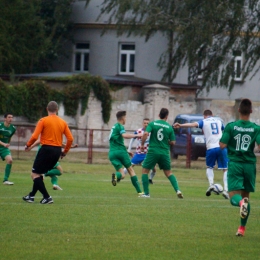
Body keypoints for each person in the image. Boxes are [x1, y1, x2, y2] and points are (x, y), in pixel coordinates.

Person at [220, 98, 260, 236]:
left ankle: (241, 203)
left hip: (236, 164)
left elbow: (222, 145)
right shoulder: (256, 128)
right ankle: (241, 229)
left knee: (233, 197)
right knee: (246, 197)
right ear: (251, 111)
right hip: (249, 165)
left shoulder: (231, 126)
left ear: (238, 110)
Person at [22, 101, 73, 204]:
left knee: (34, 174)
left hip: (46, 149)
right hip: (57, 151)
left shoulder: (43, 120)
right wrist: (65, 152)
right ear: (57, 110)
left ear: (47, 109)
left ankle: (47, 197)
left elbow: (35, 136)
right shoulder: (63, 122)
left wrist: (28, 145)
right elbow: (70, 139)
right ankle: (31, 196)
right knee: (39, 174)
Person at [173, 110, 229, 199]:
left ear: (204, 116)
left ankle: (211, 184)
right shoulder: (219, 121)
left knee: (209, 167)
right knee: (225, 169)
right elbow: (226, 131)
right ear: (212, 115)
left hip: (211, 148)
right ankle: (226, 190)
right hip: (221, 147)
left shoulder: (204, 121)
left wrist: (180, 125)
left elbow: (193, 125)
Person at [140, 108, 183, 198]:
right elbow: (173, 142)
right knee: (169, 173)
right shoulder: (169, 127)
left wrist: (142, 144)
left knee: (145, 171)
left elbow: (145, 134)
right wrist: (166, 141)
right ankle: (178, 190)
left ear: (159, 115)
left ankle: (146, 193)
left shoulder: (152, 124)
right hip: (164, 152)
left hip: (153, 151)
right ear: (167, 117)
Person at [109, 110, 143, 195]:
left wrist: (127, 152)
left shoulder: (114, 127)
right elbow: (124, 135)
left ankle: (116, 176)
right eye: (125, 117)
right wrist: (136, 135)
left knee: (122, 175)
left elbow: (117, 142)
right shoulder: (120, 126)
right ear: (123, 118)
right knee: (131, 170)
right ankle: (140, 192)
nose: (126, 119)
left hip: (112, 153)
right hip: (120, 152)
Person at [123, 118, 156, 184]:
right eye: (145, 123)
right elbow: (132, 139)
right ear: (142, 123)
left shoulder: (151, 132)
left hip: (148, 153)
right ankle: (119, 176)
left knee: (154, 169)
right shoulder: (138, 131)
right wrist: (129, 150)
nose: (146, 124)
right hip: (139, 153)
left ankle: (150, 179)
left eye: (147, 123)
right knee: (129, 166)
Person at [0, 113, 16, 185]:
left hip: (4, 148)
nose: (11, 119)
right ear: (5, 118)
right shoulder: (0, 126)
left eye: (12, 117)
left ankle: (5, 180)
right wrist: (4, 144)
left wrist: (7, 144)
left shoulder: (13, 128)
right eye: (9, 117)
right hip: (3, 145)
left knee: (10, 160)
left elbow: (9, 137)